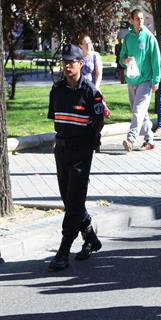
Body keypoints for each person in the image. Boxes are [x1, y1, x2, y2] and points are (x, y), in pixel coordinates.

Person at [47, 44, 104, 271]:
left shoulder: (90, 92)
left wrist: (90, 142)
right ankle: (90, 237)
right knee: (69, 200)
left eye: (72, 61)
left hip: (81, 152)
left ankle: (63, 250)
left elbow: (98, 122)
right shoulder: (57, 90)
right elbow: (55, 118)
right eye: (65, 61)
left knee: (74, 202)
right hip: (61, 151)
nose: (67, 65)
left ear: (82, 63)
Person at [120, 9, 161, 151]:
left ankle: (130, 139)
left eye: (142, 18)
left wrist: (156, 80)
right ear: (131, 20)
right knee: (140, 112)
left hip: (146, 80)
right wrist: (126, 60)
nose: (140, 21)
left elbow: (156, 60)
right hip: (132, 80)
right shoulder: (127, 38)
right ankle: (150, 140)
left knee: (138, 111)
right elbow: (121, 59)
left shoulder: (149, 37)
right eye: (137, 18)